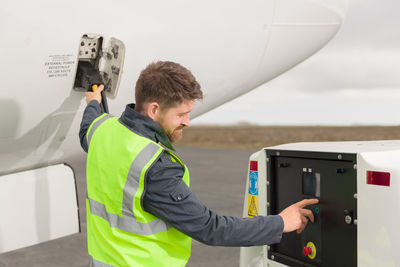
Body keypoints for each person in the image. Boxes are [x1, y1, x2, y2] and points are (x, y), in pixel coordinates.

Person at [79, 61, 318, 267]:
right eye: (181, 114)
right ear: (154, 109)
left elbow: (87, 127)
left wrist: (93, 101)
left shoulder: (101, 130)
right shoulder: (155, 166)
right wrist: (282, 222)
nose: (188, 122)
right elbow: (211, 228)